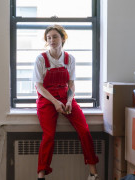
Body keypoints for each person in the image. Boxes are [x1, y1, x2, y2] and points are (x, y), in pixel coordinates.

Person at [32, 24, 100, 180]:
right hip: (47, 99)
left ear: (63, 38)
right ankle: (41, 175)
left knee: (84, 130)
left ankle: (93, 173)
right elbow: (39, 86)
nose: (52, 40)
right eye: (48, 38)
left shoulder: (70, 59)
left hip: (65, 97)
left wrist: (69, 100)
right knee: (49, 135)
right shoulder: (41, 59)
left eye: (55, 36)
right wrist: (55, 102)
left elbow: (71, 84)